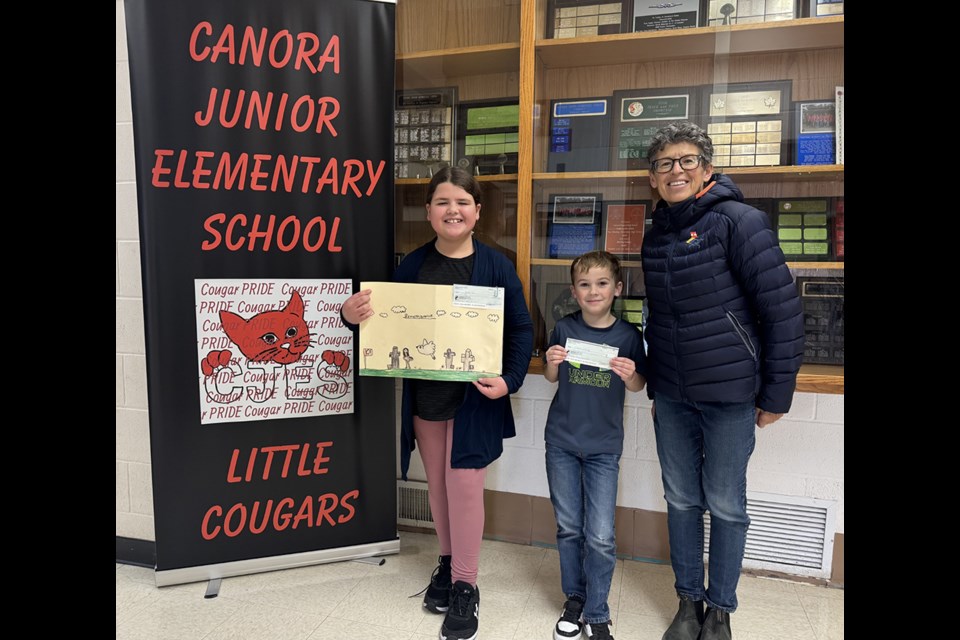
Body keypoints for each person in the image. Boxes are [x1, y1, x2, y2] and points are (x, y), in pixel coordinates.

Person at [341, 167, 534, 640]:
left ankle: (467, 585)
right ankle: (447, 566)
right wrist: (351, 316)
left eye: (463, 202)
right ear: (428, 211)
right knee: (439, 490)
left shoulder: (497, 265)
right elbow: (385, 325)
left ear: (478, 213)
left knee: (465, 489)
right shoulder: (413, 265)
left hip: (475, 403)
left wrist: (510, 380)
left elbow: (522, 329)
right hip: (427, 401)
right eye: (443, 202)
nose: (453, 210)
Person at [640, 121, 804, 640]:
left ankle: (721, 609)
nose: (677, 170)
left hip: (731, 395)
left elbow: (782, 311)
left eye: (688, 160)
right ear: (653, 179)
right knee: (682, 499)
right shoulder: (657, 232)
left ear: (708, 169)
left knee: (727, 502)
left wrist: (776, 393)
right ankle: (688, 602)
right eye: (665, 163)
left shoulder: (740, 221)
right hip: (672, 393)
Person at [542, 250, 647, 640]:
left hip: (604, 447)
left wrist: (633, 373)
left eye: (602, 283)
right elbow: (553, 378)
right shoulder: (564, 328)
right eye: (584, 284)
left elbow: (638, 386)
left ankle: (597, 611)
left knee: (601, 534)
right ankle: (575, 597)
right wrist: (553, 361)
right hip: (562, 442)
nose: (593, 291)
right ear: (573, 290)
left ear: (617, 288)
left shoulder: (628, 336)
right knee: (569, 527)